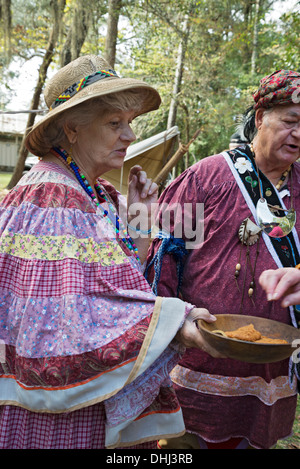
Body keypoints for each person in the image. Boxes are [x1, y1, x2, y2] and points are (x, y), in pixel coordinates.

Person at [0, 55, 221, 449]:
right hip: (60, 408)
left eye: (129, 122)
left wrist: (137, 221)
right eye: (114, 123)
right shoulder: (52, 195)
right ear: (71, 129)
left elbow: (111, 281)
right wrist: (177, 323)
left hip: (82, 396)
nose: (131, 135)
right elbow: (66, 320)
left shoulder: (91, 191)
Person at [146, 69, 300, 449]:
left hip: (272, 376)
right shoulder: (206, 179)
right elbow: (163, 261)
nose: (299, 134)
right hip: (200, 372)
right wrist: (170, 328)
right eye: (291, 121)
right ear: (261, 117)